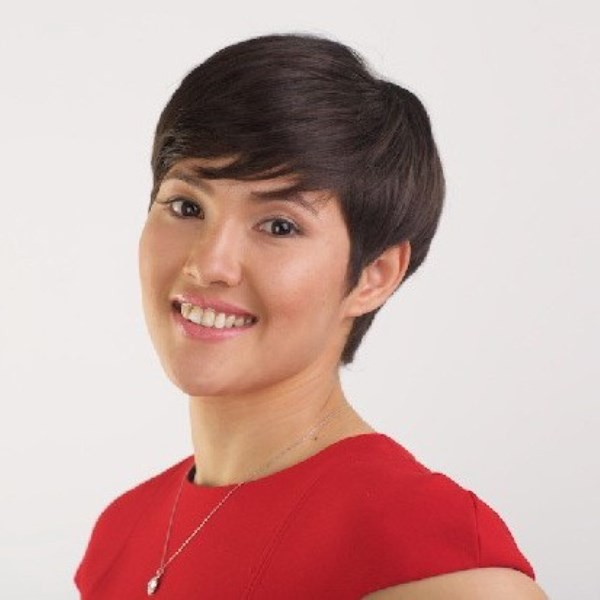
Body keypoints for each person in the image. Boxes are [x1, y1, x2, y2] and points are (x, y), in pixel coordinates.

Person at [75, 34, 546, 599]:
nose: (209, 264)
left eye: (279, 226)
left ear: (373, 275)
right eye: (186, 206)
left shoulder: (436, 565)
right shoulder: (122, 531)